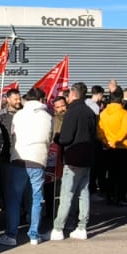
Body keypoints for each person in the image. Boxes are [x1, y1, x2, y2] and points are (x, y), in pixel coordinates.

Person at [1, 86, 53, 243]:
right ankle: (34, 235)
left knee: (14, 198)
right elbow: (49, 138)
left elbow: (12, 135)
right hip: (38, 160)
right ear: (42, 100)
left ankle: (11, 235)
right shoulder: (47, 117)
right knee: (36, 198)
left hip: (19, 159)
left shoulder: (19, 115)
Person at [51, 82, 100, 240]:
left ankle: (58, 228)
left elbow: (66, 138)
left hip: (73, 157)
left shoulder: (72, 112)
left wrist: (57, 138)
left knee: (67, 193)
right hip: (88, 157)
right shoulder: (90, 112)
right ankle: (82, 226)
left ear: (73, 94)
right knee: (83, 192)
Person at [97, 90, 127, 204]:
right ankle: (121, 198)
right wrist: (115, 141)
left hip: (107, 147)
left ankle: (110, 196)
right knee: (122, 174)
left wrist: (105, 141)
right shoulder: (124, 113)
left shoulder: (103, 113)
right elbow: (124, 130)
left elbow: (99, 130)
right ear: (121, 99)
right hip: (121, 147)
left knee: (110, 173)